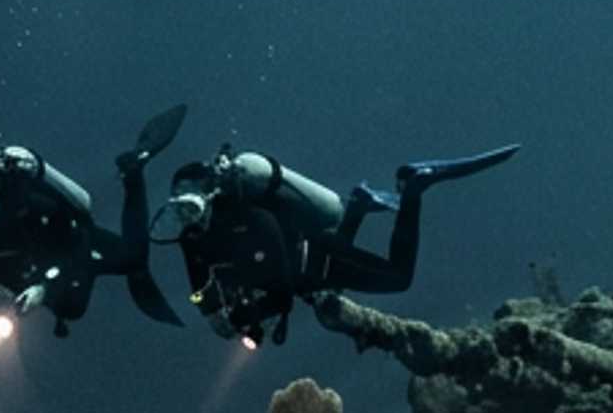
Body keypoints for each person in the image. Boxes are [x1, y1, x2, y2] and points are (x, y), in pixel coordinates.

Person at [167, 139, 520, 345]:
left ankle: (414, 186)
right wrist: (208, 308)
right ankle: (359, 205)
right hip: (313, 272)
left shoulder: (254, 218)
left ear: (210, 193)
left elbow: (283, 291)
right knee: (338, 265)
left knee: (399, 278)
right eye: (177, 206)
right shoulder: (192, 238)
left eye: (189, 203)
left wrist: (247, 314)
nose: (185, 214)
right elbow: (197, 284)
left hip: (320, 259)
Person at [0, 104, 189, 334]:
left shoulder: (26, 199)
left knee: (132, 258)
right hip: (31, 275)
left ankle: (133, 172)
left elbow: (81, 211)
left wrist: (46, 287)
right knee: (70, 308)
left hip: (75, 244)